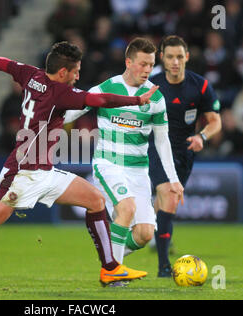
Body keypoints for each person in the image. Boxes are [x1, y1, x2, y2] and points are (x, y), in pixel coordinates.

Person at [0, 41, 160, 292]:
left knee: (95, 200)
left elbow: (7, 64)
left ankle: (110, 268)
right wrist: (137, 100)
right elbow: (100, 99)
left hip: (44, 172)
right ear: (63, 73)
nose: (78, 76)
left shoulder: (31, 75)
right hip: (22, 174)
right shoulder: (60, 93)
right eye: (76, 71)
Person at [64, 37, 184, 268]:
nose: (148, 70)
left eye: (151, 64)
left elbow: (162, 141)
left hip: (138, 171)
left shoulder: (156, 97)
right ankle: (113, 272)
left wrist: (174, 179)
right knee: (126, 209)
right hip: (109, 164)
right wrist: (48, 119)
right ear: (128, 62)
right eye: (142, 64)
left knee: (145, 234)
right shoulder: (107, 88)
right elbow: (73, 112)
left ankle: (110, 254)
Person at [148, 35, 222, 277]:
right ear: (162, 58)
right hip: (157, 148)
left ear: (187, 57)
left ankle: (152, 225)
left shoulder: (200, 86)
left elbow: (215, 121)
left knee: (165, 204)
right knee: (170, 197)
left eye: (180, 56)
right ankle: (163, 267)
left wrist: (202, 136)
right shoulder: (151, 85)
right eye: (170, 57)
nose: (175, 62)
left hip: (185, 152)